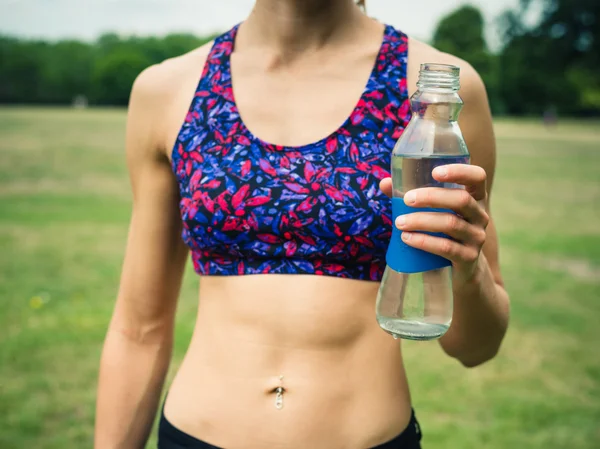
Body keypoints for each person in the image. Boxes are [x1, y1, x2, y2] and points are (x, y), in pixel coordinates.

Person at [94, 1, 510, 448]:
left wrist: (468, 270)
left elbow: (475, 348)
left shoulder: (437, 93)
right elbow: (139, 330)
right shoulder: (168, 88)